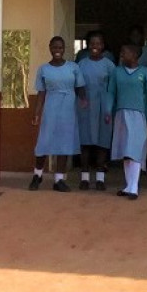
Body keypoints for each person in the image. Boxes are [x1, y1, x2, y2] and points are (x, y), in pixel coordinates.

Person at [30, 37, 87, 192]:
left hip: (68, 107)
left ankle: (59, 180)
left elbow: (80, 87)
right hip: (51, 107)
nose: (57, 50)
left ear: (64, 49)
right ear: (50, 48)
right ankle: (37, 174)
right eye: (54, 47)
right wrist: (37, 113)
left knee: (65, 142)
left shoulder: (73, 67)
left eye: (60, 47)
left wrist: (83, 100)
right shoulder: (43, 69)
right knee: (44, 140)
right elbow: (41, 93)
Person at [105, 44, 147, 200]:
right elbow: (111, 93)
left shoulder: (145, 73)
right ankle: (128, 185)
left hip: (138, 116)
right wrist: (108, 111)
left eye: (125, 52)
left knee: (134, 149)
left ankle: (134, 187)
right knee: (125, 151)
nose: (121, 54)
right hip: (121, 114)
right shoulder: (117, 72)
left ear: (135, 55)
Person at [77, 30, 115, 191]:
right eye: (92, 43)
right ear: (87, 45)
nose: (95, 46)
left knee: (102, 142)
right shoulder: (81, 64)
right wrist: (82, 98)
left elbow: (113, 88)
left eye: (98, 43)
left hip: (103, 107)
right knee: (85, 142)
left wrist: (109, 108)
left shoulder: (109, 65)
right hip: (85, 106)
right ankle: (84, 178)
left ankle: (100, 178)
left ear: (103, 46)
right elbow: (77, 84)